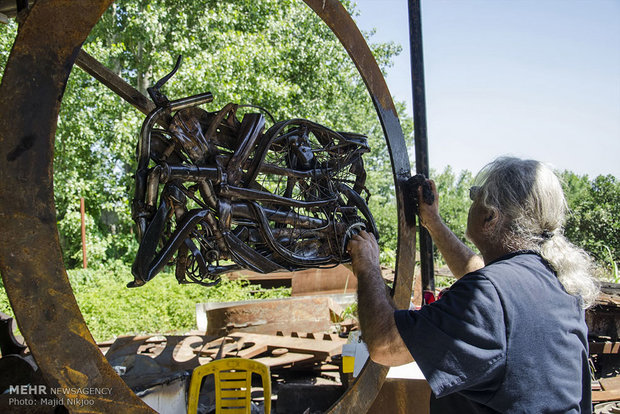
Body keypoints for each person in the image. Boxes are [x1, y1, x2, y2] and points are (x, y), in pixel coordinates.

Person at [347, 157, 599, 413]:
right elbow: (478, 274)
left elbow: (384, 345)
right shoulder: (558, 283)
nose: (471, 202)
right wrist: (433, 223)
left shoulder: (489, 293)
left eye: (474, 195)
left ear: (490, 216)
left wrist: (367, 262)